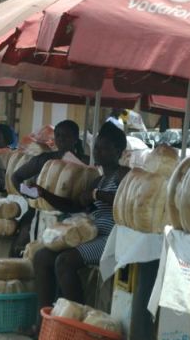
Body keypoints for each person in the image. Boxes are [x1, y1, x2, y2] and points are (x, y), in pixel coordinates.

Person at [32, 120, 128, 325]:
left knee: (65, 261)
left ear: (118, 151)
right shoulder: (98, 180)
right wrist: (45, 194)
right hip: (91, 234)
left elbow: (127, 203)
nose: (98, 152)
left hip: (111, 240)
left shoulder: (124, 175)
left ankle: (76, 321)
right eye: (97, 147)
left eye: (104, 148)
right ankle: (42, 322)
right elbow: (74, 207)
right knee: (42, 257)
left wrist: (98, 195)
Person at [12, 119, 85, 194]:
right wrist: (29, 194)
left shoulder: (85, 161)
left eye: (66, 135)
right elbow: (16, 177)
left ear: (75, 138)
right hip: (44, 205)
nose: (61, 139)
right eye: (58, 135)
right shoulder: (45, 159)